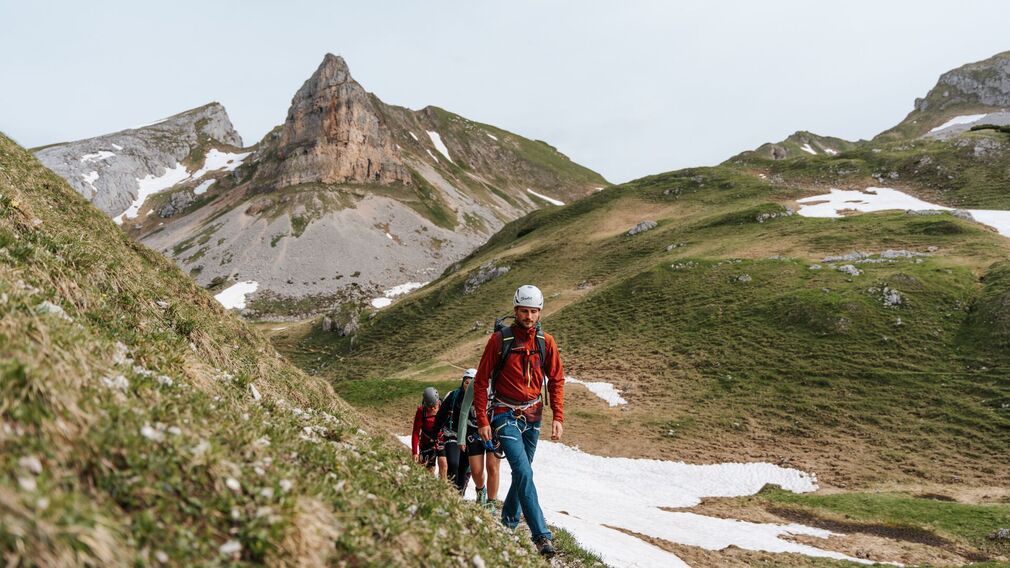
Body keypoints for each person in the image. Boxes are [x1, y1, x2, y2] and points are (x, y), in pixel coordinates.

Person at [474, 284, 565, 558]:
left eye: (533, 311)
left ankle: (508, 524)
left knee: (522, 473)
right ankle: (541, 537)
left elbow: (557, 379)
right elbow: (480, 381)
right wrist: (482, 419)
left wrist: (558, 416)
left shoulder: (545, 342)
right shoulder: (499, 341)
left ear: (539, 313)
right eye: (524, 311)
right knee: (524, 472)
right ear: (516, 311)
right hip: (504, 413)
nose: (528, 316)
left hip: (534, 415)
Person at [456, 368, 501, 511]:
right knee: (476, 470)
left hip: (494, 430)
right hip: (473, 429)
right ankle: (481, 490)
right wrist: (461, 438)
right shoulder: (474, 384)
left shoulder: (502, 383)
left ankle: (491, 503)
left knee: (492, 467)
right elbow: (464, 410)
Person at [434, 368, 474, 493]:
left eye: (472, 383)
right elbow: (440, 415)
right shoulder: (453, 395)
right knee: (453, 463)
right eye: (466, 382)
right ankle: (451, 492)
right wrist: (434, 433)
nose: (468, 386)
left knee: (463, 467)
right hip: (451, 434)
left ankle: (458, 495)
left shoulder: (480, 399)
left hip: (469, 437)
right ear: (462, 382)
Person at [411, 387, 446, 476]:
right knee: (429, 470)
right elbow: (416, 432)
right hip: (426, 442)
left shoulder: (443, 406)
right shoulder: (421, 411)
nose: (434, 408)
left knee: (443, 463)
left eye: (435, 405)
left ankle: (443, 486)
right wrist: (415, 452)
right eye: (431, 407)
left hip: (440, 439)